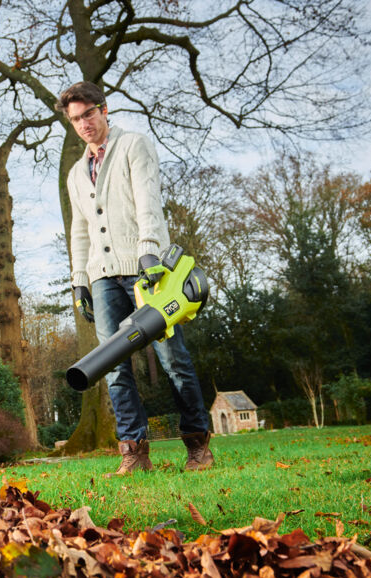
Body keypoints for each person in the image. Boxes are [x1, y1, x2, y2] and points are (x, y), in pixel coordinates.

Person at [57, 81, 215, 476]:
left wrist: (148, 248)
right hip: (103, 277)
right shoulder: (77, 173)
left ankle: (198, 446)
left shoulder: (134, 145)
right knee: (114, 366)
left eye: (88, 114)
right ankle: (134, 452)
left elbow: (148, 199)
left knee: (172, 358)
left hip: (147, 270)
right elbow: (79, 229)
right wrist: (79, 278)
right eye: (75, 119)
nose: (84, 124)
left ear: (104, 110)